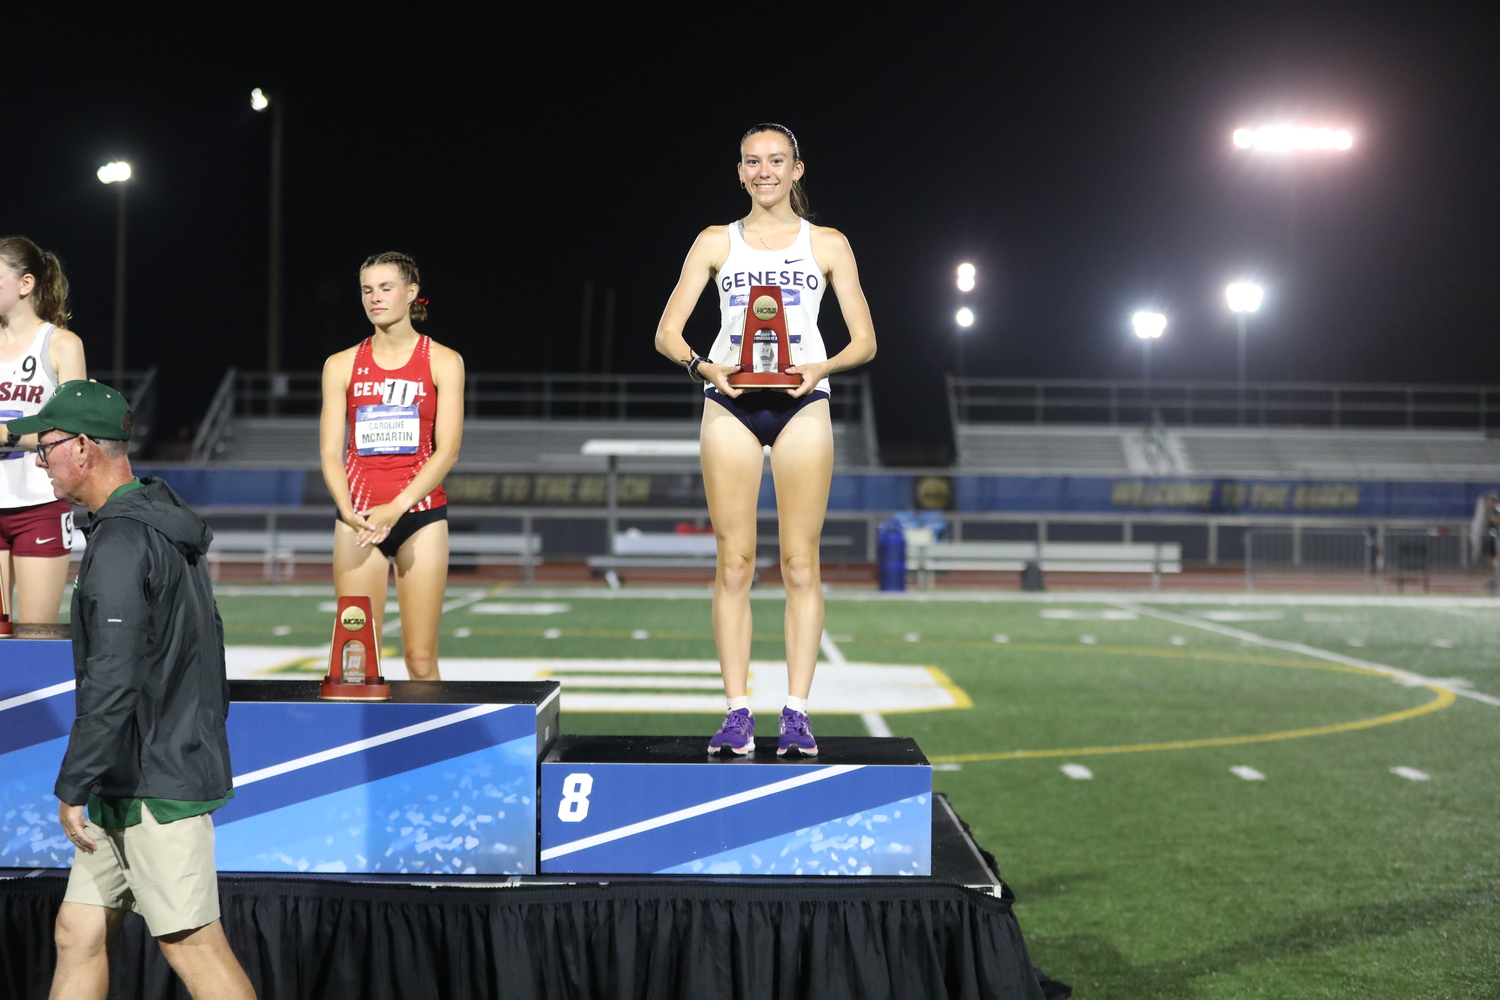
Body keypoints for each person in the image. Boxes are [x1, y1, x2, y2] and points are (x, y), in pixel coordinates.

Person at [8, 381, 255, 999]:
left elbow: (113, 681)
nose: (40, 460)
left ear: (85, 447)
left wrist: (72, 785)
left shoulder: (122, 542)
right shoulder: (152, 516)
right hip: (138, 769)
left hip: (153, 781)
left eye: (48, 447)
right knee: (78, 930)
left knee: (193, 946)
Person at [654, 124, 877, 756]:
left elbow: (864, 339)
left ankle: (798, 712)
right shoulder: (714, 242)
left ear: (797, 169)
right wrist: (705, 367)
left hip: (803, 402)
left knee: (800, 562)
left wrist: (821, 368)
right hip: (730, 404)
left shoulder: (827, 244)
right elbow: (668, 333)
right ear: (740, 171)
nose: (765, 171)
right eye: (753, 162)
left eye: (776, 160)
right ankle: (736, 712)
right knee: (735, 562)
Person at [319, 252, 464, 681]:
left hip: (419, 519)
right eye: (367, 289)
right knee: (356, 663)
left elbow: (448, 451)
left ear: (412, 293)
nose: (375, 298)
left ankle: (434, 749)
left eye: (386, 287)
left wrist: (397, 507)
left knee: (420, 661)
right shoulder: (341, 364)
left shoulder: (444, 361)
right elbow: (330, 451)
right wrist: (348, 511)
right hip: (358, 521)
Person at [0, 236, 88, 622]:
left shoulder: (63, 344)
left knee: (36, 634)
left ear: (26, 284)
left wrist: (6, 434)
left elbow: (73, 426)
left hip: (40, 504)